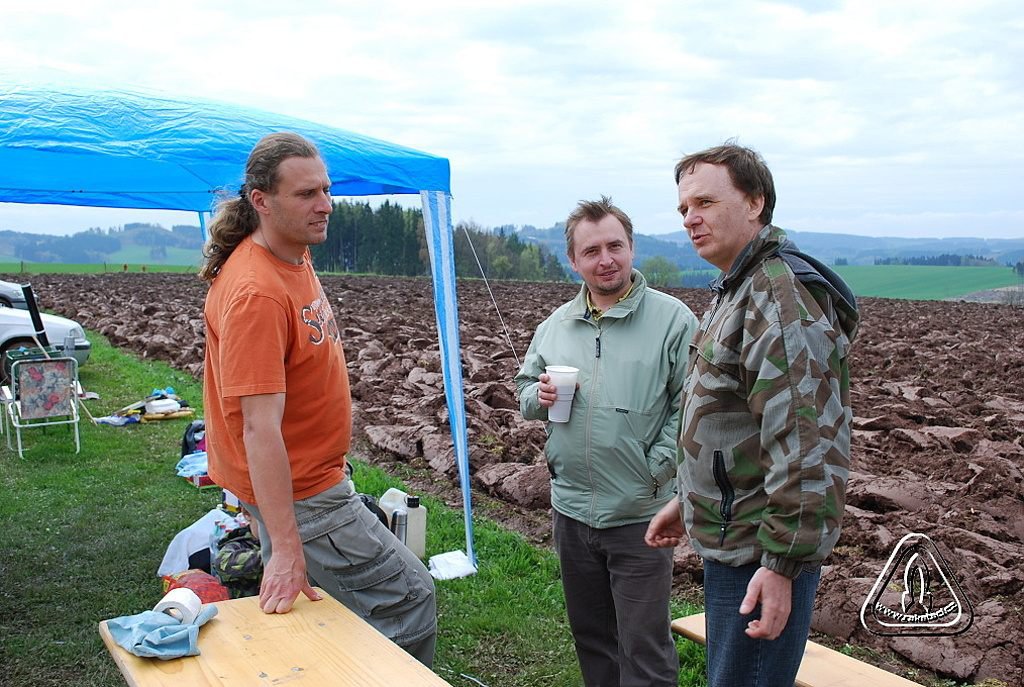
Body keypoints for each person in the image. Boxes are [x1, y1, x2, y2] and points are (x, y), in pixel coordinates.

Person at [200, 132, 436, 666]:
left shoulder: (292, 254)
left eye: (326, 190)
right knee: (410, 598)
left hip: (310, 479)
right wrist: (284, 546)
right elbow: (257, 427)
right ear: (261, 201)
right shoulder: (256, 291)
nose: (325, 204)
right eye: (307, 194)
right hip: (307, 494)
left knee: (317, 614)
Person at [645, 143, 860, 687]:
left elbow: (808, 445)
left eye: (705, 202)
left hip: (758, 556)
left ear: (756, 202)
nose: (691, 218)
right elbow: (732, 421)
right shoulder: (740, 286)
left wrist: (782, 566)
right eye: (683, 209)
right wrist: (686, 499)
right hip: (734, 539)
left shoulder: (777, 298)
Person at [515, 196, 698, 687]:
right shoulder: (556, 326)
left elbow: (692, 409)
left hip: (640, 513)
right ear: (573, 261)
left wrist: (654, 469)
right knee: (592, 636)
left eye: (615, 245)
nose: (606, 259)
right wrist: (540, 393)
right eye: (592, 250)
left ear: (632, 248)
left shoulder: (674, 321)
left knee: (644, 646)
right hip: (571, 510)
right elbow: (524, 392)